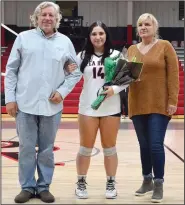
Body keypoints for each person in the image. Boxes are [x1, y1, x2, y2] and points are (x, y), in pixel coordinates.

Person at [5, 1, 81, 203]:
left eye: (51, 15)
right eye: (44, 15)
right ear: (36, 18)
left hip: (52, 106)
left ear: (57, 19)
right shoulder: (23, 39)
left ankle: (44, 186)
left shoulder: (65, 42)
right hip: (25, 105)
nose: (48, 18)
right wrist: (10, 99)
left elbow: (74, 73)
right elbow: (11, 71)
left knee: (47, 149)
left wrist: (62, 91)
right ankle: (27, 187)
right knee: (26, 148)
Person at [67, 21, 127, 199]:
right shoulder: (82, 55)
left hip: (111, 108)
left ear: (106, 35)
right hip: (87, 108)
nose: (98, 37)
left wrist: (114, 90)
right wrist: (67, 69)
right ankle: (81, 182)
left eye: (101, 33)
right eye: (94, 34)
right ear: (89, 37)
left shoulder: (117, 55)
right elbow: (71, 76)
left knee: (110, 148)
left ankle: (110, 182)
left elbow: (126, 79)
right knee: (85, 148)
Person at [127, 13, 179, 203]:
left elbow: (174, 76)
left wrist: (172, 101)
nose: (143, 27)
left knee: (156, 144)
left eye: (147, 24)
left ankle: (159, 183)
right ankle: (146, 179)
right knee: (144, 145)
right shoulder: (132, 49)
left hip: (159, 103)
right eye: (140, 24)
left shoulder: (165, 46)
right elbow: (126, 77)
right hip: (137, 102)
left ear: (154, 27)